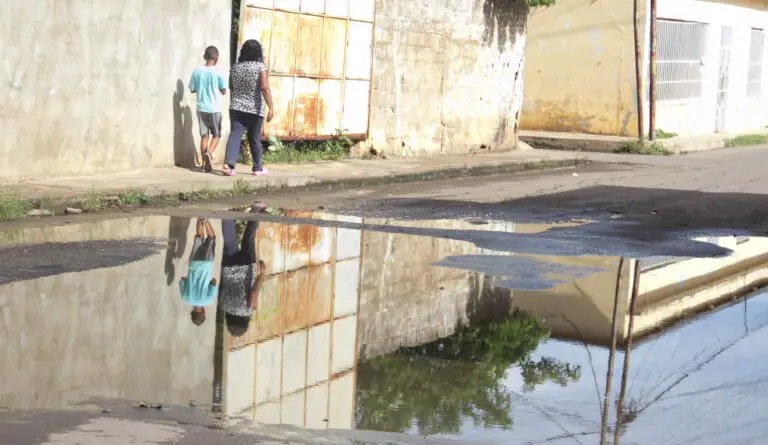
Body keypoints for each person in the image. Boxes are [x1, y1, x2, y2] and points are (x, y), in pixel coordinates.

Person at [223, 39, 275, 177]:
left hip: (236, 107)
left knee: (235, 134)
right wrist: (271, 107)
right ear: (259, 52)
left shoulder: (235, 67)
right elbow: (264, 87)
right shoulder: (260, 67)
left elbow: (231, 86)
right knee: (254, 138)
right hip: (254, 109)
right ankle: (257, 169)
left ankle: (228, 166)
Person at [218, 203, 268, 336]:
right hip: (228, 268)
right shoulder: (223, 306)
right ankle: (225, 213)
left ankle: (256, 208)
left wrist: (262, 275)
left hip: (246, 269)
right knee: (229, 242)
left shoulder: (247, 311)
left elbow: (253, 294)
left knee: (248, 239)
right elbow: (221, 287)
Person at [189, 46, 227, 173]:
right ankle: (209, 154)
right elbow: (223, 90)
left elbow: (192, 88)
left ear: (205, 56)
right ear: (216, 58)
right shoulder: (218, 72)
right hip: (214, 108)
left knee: (204, 136)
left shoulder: (197, 71)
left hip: (201, 108)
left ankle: (204, 165)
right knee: (216, 135)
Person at [179, 219, 218, 326]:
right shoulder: (185, 298)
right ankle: (199, 217)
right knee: (199, 237)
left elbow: (214, 282)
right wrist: (188, 280)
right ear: (193, 313)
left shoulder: (208, 300)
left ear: (203, 312)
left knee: (212, 238)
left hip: (206, 265)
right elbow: (182, 279)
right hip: (194, 264)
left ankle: (205, 221)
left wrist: (210, 282)